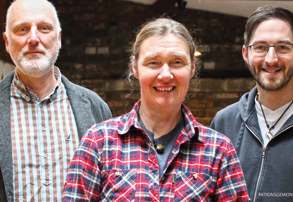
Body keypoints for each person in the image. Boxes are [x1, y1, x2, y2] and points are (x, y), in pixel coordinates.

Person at [63, 18, 249, 201]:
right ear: (134, 67)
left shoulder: (219, 150)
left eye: (177, 62)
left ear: (192, 68)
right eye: (153, 63)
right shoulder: (98, 142)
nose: (166, 75)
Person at [0, 0, 112, 202]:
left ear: (58, 38)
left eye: (44, 28)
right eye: (22, 29)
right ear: (7, 41)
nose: (33, 38)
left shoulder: (95, 108)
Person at [211, 6, 293, 201]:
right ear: (246, 54)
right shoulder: (224, 123)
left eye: (282, 47)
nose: (271, 59)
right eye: (261, 47)